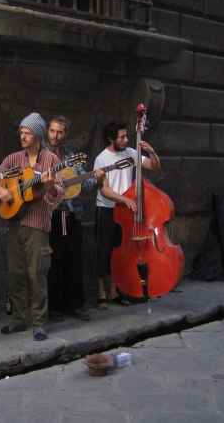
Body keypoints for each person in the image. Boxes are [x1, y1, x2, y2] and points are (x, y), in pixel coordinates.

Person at [0, 112, 64, 341]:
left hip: (37, 224)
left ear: (38, 135)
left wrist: (50, 186)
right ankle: (19, 319)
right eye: (21, 131)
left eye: (27, 132)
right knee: (15, 273)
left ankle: (39, 322)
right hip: (14, 223)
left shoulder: (51, 161)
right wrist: (0, 191)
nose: (22, 136)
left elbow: (59, 194)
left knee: (37, 273)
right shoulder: (13, 159)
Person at [93, 120, 161, 308]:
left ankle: (115, 291)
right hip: (107, 208)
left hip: (125, 210)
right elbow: (104, 190)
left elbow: (153, 166)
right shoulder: (102, 159)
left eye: (126, 136)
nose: (126, 139)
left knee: (119, 251)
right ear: (110, 139)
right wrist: (125, 200)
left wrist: (151, 151)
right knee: (104, 251)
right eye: (122, 137)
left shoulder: (132, 153)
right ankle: (101, 293)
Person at [46, 116, 105, 322]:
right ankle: (54, 308)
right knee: (53, 262)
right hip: (49, 215)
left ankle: (75, 305)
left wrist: (95, 179)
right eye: (52, 131)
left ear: (65, 134)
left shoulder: (72, 156)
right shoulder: (41, 156)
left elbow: (84, 185)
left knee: (74, 260)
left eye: (59, 132)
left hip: (71, 214)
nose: (55, 135)